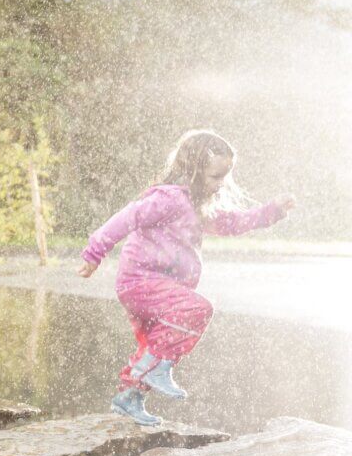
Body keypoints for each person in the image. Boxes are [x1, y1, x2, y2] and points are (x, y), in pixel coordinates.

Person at [79, 130, 295, 426]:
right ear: (193, 170)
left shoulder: (198, 206)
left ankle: (129, 399)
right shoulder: (168, 200)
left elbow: (233, 222)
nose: (220, 186)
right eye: (215, 177)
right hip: (141, 281)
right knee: (197, 309)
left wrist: (271, 212)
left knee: (153, 343)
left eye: (224, 178)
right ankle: (153, 370)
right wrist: (94, 253)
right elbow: (126, 218)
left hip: (159, 288)